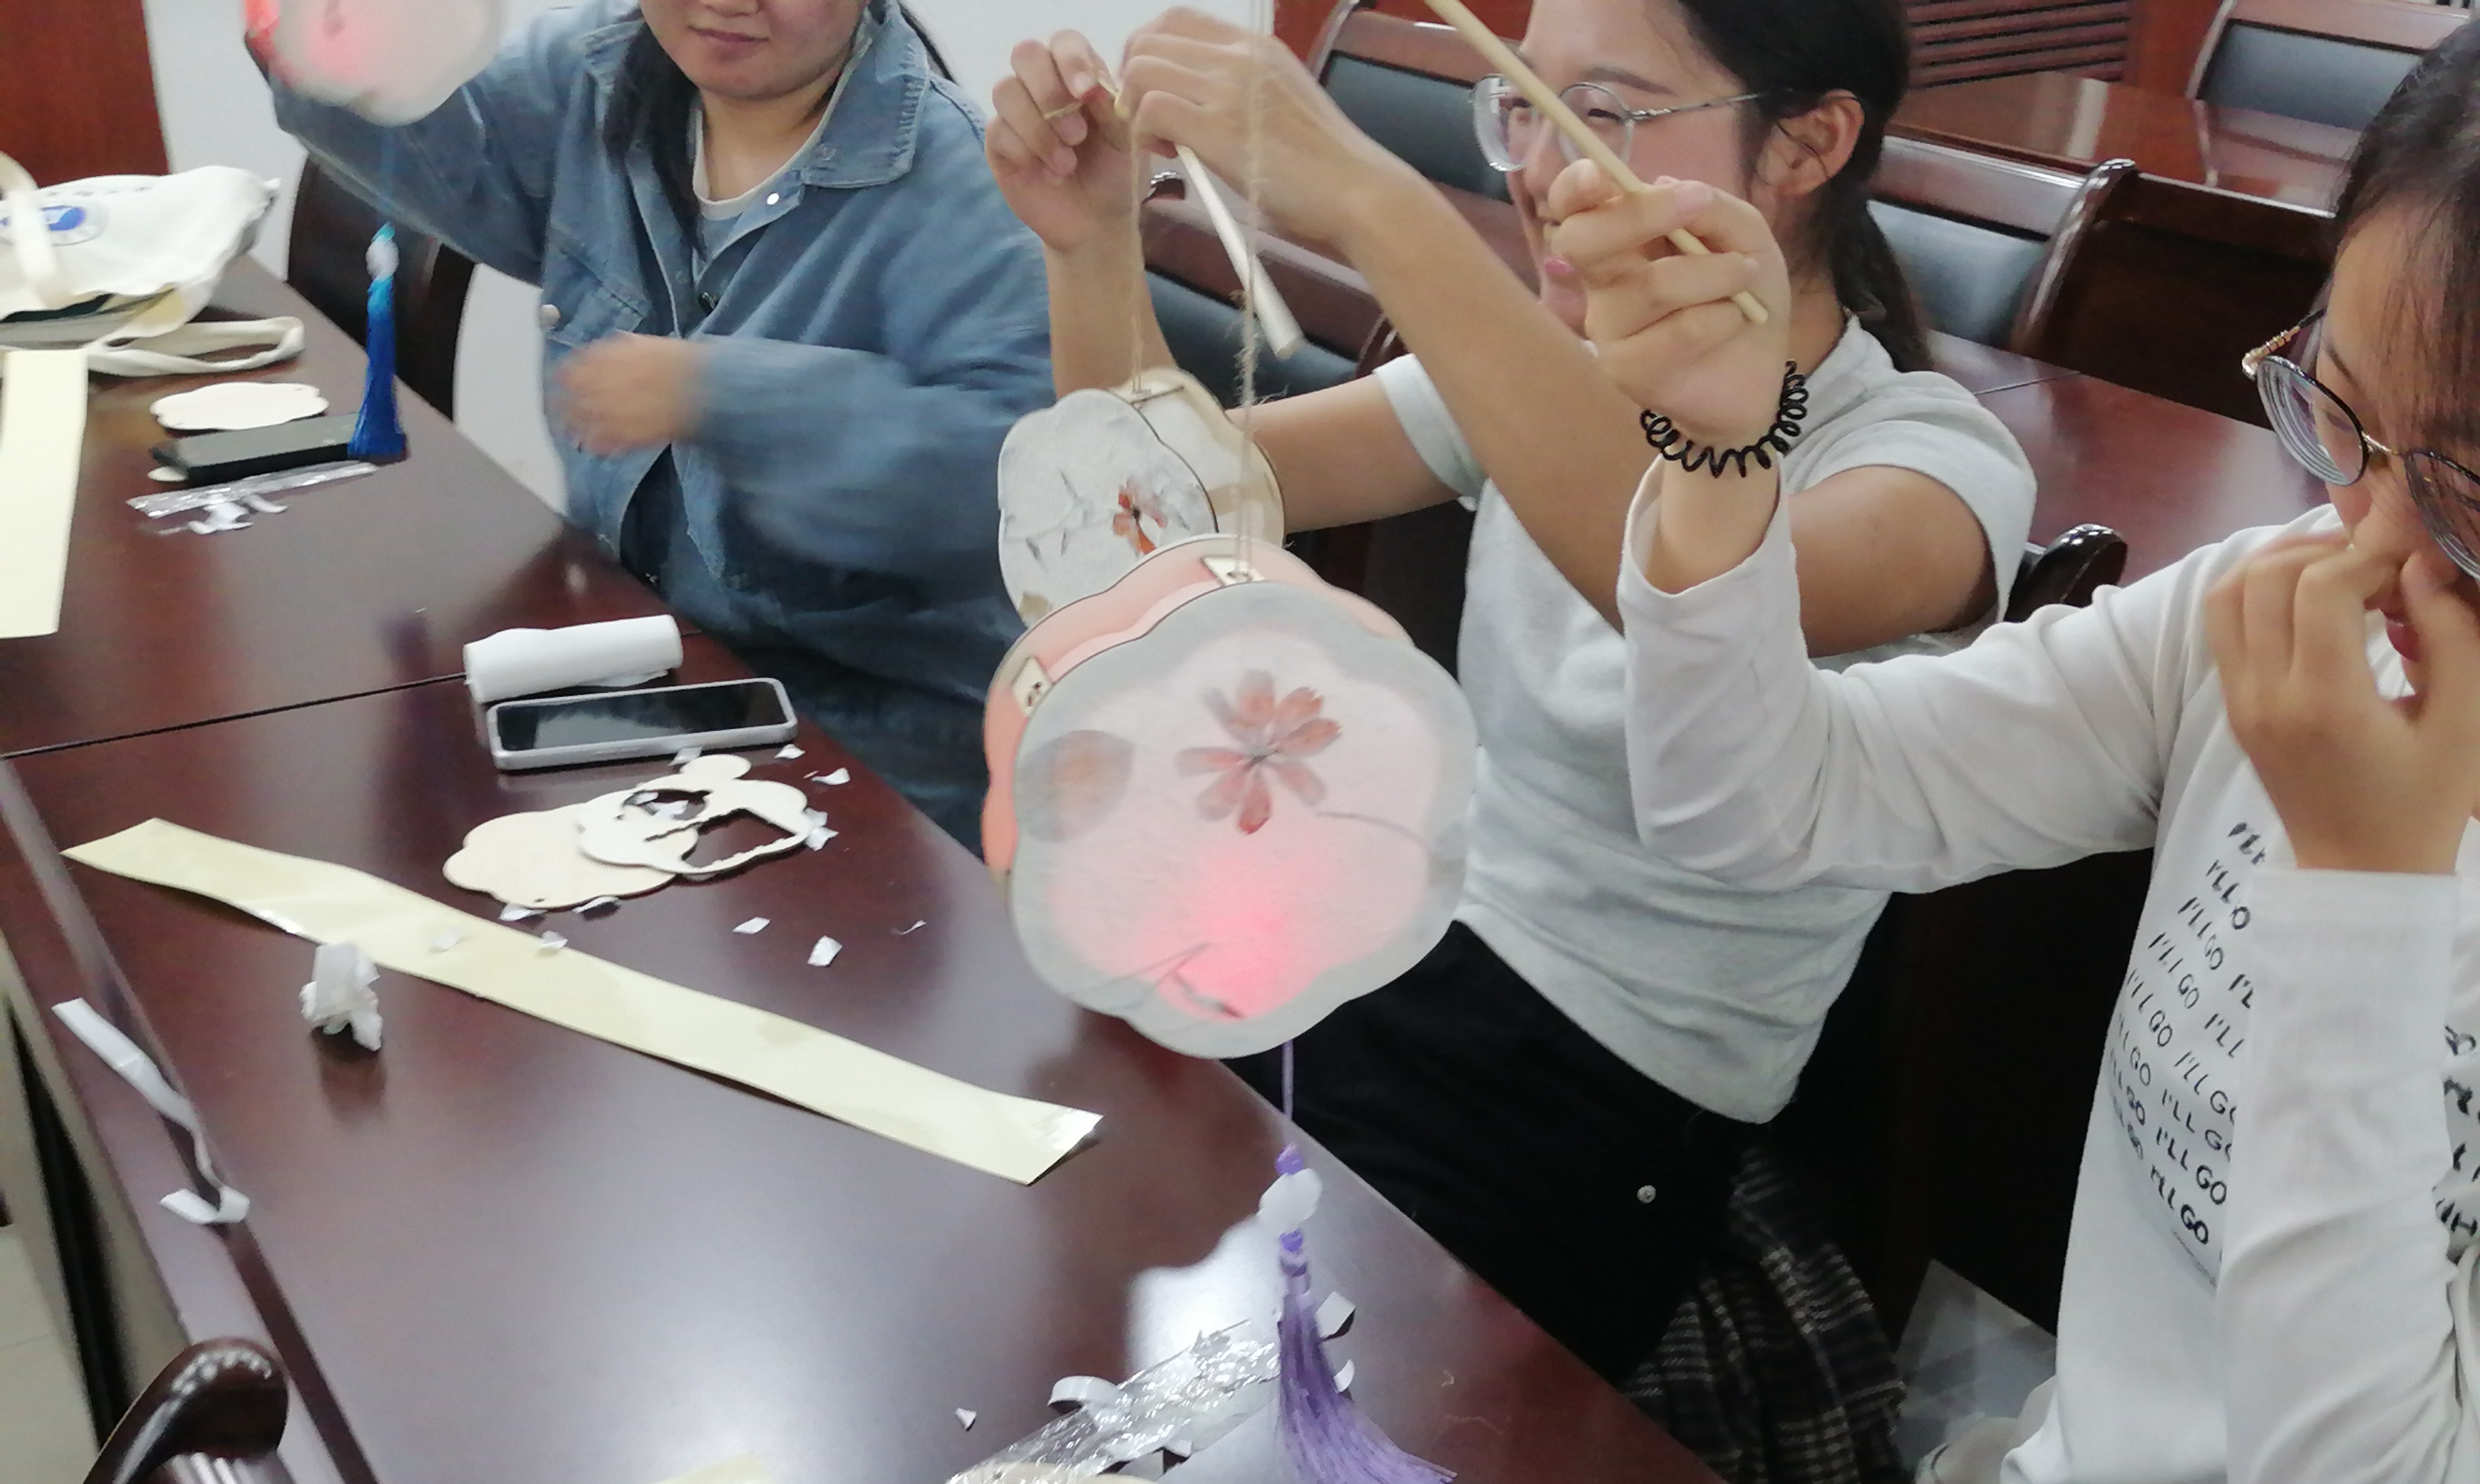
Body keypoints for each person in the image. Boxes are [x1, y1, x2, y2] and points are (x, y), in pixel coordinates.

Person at [1569, 20, 2480, 1484]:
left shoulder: (2346, 744)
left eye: (2465, 487)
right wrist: (1724, 457)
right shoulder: (2265, 611)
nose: (2362, 541)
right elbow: (1757, 802)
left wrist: (2366, 892)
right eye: (2337, 409)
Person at [985, 1, 2033, 1385]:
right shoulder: (1548, 377)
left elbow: (1676, 584)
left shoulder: (1935, 464)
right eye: (1522, 108)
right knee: (1049, 1237)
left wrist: (1371, 201)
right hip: (1383, 944)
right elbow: (1144, 522)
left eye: (1602, 115)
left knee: (1260, 1413)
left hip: (1605, 1091)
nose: (1536, 169)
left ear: (1807, 144)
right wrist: (1091, 242)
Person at [255, 0, 1052, 846]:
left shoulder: (965, 181)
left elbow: (1017, 483)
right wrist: (327, 47)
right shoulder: (599, 67)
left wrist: (724, 395)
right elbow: (441, 150)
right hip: (651, 661)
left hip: (880, 748)